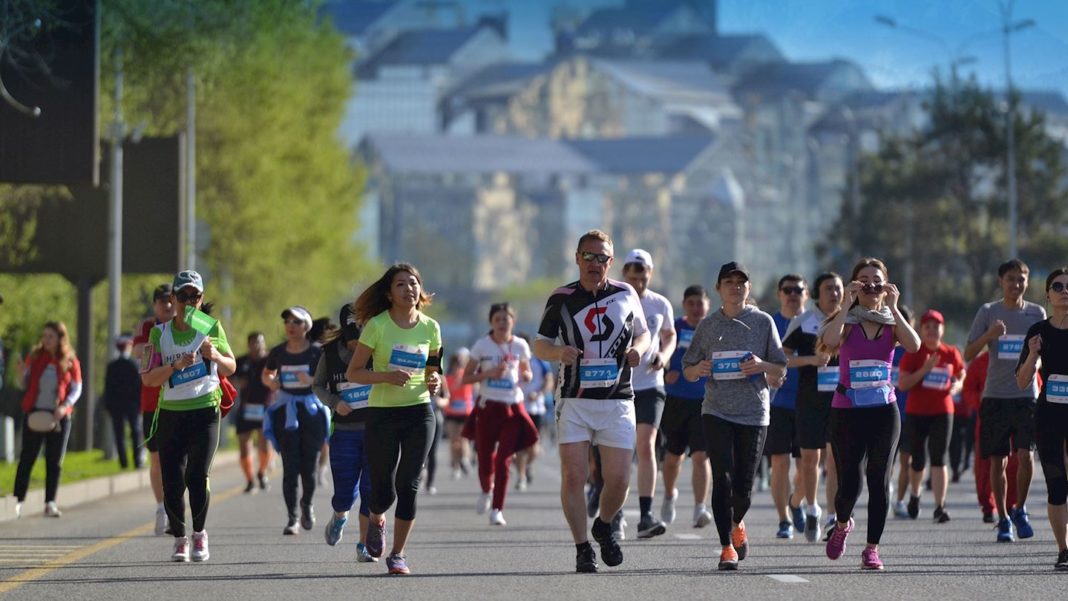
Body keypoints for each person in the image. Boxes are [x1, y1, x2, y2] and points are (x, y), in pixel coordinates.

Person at [533, 229, 650, 573]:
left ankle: (604, 524)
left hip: (617, 399)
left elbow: (643, 334)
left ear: (610, 263)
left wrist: (637, 351)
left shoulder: (626, 293)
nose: (595, 263)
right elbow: (540, 344)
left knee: (618, 479)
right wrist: (558, 352)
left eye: (602, 258)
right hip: (575, 399)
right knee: (574, 474)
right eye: (589, 256)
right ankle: (583, 547)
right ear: (577, 258)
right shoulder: (561, 297)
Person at [682, 262, 787, 571]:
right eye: (728, 281)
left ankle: (736, 522)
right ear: (718, 289)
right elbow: (687, 368)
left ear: (748, 288)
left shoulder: (763, 322)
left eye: (741, 282)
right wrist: (697, 370)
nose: (735, 286)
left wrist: (761, 365)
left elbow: (781, 367)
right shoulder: (708, 325)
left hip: (754, 412)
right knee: (722, 478)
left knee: (743, 486)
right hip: (716, 410)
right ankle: (726, 547)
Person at [820, 258, 920, 571]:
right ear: (854, 284)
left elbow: (915, 346)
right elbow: (830, 341)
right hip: (848, 410)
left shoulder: (893, 320)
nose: (870, 285)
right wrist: (847, 303)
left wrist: (895, 307)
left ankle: (872, 548)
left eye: (876, 280)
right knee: (850, 482)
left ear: (886, 284)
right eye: (863, 280)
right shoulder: (847, 320)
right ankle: (841, 523)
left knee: (879, 478)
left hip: (883, 409)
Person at [346, 263, 443, 575]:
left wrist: (436, 381)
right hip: (383, 414)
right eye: (400, 284)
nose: (409, 289)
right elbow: (354, 373)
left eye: (413, 283)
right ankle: (377, 517)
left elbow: (434, 367)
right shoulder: (377, 326)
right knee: (384, 490)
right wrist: (387, 376)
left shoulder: (431, 328)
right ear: (389, 293)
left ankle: (398, 554)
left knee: (409, 483)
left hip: (420, 411)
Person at [141, 270, 236, 562]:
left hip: (205, 410)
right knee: (173, 480)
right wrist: (175, 367)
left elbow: (231, 366)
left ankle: (199, 536)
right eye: (182, 296)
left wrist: (215, 357)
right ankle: (180, 539)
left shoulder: (211, 327)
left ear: (201, 298)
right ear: (173, 299)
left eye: (194, 296)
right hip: (172, 414)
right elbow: (148, 379)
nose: (188, 302)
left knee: (197, 474)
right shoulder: (159, 333)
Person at [964, 259, 1046, 542]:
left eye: (1021, 279)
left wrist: (1037, 366)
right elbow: (967, 353)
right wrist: (990, 335)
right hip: (995, 397)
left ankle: (1020, 508)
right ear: (1001, 281)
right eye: (1011, 279)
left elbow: (1046, 353)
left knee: (1025, 456)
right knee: (997, 462)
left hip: (1026, 396)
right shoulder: (988, 312)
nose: (1017, 284)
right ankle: (1002, 518)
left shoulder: (1036, 312)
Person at [782, 272, 843, 542]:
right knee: (810, 461)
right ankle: (805, 505)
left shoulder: (850, 320)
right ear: (817, 293)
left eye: (838, 288)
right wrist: (810, 360)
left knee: (834, 460)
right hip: (809, 401)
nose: (835, 293)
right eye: (829, 288)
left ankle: (832, 516)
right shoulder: (803, 322)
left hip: (841, 401)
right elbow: (782, 359)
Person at [620, 249, 676, 539]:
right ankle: (614, 512)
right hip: (617, 385)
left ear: (649, 274)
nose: (638, 278)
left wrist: (664, 356)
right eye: (632, 272)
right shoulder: (614, 300)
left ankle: (645, 515)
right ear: (623, 273)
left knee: (645, 445)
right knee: (618, 449)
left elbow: (670, 335)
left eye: (642, 272)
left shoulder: (660, 303)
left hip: (651, 385)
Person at [464, 302, 536, 526]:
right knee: (485, 458)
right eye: (498, 319)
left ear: (513, 321)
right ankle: (487, 489)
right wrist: (489, 373)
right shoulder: (482, 345)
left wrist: (526, 376)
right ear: (491, 322)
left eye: (506, 319)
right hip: (488, 407)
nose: (502, 323)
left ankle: (497, 509)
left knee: (504, 460)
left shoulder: (521, 345)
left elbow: (527, 371)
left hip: (512, 408)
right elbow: (466, 378)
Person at [1015, 267, 1068, 570]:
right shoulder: (1038, 331)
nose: (1064, 291)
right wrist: (1034, 355)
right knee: (1056, 483)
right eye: (1058, 287)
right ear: (1047, 294)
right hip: (1049, 413)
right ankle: (1063, 549)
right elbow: (1022, 381)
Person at [316, 303, 377, 563]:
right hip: (343, 432)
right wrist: (333, 402)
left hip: (375, 431)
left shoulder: (379, 350)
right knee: (345, 493)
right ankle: (340, 516)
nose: (357, 345)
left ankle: (363, 545)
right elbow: (317, 386)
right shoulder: (329, 353)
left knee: (370, 490)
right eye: (352, 339)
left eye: (361, 338)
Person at [262, 306, 328, 535]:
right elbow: (267, 373)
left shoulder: (317, 352)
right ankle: (292, 518)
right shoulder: (278, 352)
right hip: (286, 412)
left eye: (296, 322)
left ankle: (307, 504)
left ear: (306, 326)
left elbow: (328, 379)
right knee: (290, 467)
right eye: (287, 322)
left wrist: (311, 379)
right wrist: (271, 382)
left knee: (309, 467)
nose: (290, 326)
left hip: (311, 411)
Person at [897, 309, 965, 523]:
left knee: (939, 458)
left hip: (943, 411)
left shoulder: (951, 352)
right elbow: (903, 383)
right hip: (917, 412)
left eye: (936, 327)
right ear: (921, 330)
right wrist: (925, 370)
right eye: (928, 327)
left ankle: (939, 506)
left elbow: (961, 374)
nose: (932, 331)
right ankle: (915, 495)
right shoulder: (914, 352)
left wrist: (957, 385)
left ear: (942, 330)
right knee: (918, 460)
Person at [13, 321, 82, 519]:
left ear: (60, 338)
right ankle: (18, 500)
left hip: (59, 416)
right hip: (35, 413)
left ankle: (50, 502)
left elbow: (77, 387)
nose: (46, 340)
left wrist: (64, 406)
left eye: (50, 336)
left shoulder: (69, 359)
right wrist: (20, 374)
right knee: (27, 458)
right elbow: (24, 384)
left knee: (54, 461)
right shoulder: (35, 357)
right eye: (44, 336)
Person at [661, 285, 713, 529]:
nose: (695, 308)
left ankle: (700, 508)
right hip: (676, 400)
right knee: (673, 457)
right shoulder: (675, 328)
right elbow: (659, 355)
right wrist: (665, 373)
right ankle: (670, 494)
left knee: (701, 456)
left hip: (705, 402)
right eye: (691, 303)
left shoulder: (714, 330)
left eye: (699, 303)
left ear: (708, 305)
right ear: (684, 305)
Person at [132, 284, 177, 534]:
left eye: (170, 301)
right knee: (157, 459)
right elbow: (138, 350)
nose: (167, 306)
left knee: (179, 460)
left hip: (180, 399)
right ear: (154, 305)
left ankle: (174, 508)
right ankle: (161, 508)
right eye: (161, 302)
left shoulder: (184, 325)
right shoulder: (147, 327)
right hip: (153, 403)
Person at [767, 274, 807, 539]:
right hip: (776, 402)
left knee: (808, 465)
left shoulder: (816, 323)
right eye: (788, 290)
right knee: (779, 463)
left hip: (809, 403)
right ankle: (784, 519)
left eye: (798, 290)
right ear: (780, 294)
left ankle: (796, 501)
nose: (793, 294)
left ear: (806, 294)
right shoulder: (769, 323)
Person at [964, 350, 1020, 522]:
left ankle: (1010, 505)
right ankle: (988, 506)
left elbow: (1035, 384)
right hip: (988, 420)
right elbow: (968, 389)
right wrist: (980, 400)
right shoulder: (980, 362)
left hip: (1015, 420)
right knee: (985, 467)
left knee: (1013, 465)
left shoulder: (1019, 358)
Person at [234, 332, 272, 493]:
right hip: (246, 408)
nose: (256, 346)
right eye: (253, 343)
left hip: (265, 408)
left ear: (264, 344)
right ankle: (249, 480)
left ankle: (262, 472)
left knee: (264, 442)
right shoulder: (241, 361)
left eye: (259, 343)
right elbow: (228, 377)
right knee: (244, 443)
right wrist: (236, 382)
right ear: (248, 345)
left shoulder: (270, 361)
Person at [516, 333, 553, 490]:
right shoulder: (511, 360)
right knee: (519, 445)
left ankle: (528, 465)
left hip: (536, 408)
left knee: (533, 446)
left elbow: (549, 381)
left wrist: (538, 393)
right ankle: (521, 476)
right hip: (517, 407)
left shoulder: (539, 361)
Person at [104, 335, 144, 469]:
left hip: (116, 406)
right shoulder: (134, 365)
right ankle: (137, 460)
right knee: (135, 432)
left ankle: (123, 462)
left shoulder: (112, 366)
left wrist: (108, 406)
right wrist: (140, 404)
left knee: (119, 434)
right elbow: (140, 387)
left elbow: (108, 388)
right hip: (132, 405)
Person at [442, 348, 474, 479]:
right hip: (451, 412)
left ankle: (465, 459)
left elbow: (474, 385)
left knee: (463, 439)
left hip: (465, 411)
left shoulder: (466, 376)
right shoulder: (447, 378)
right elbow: (446, 393)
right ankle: (455, 467)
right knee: (453, 441)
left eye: (460, 364)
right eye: (456, 364)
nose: (458, 367)